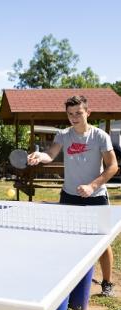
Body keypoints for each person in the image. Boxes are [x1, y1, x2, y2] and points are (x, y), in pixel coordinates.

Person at [28, 95, 118, 297]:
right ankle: (70, 281)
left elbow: (113, 166)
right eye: (70, 114)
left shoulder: (100, 136)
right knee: (68, 240)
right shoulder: (63, 135)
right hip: (69, 196)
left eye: (78, 113)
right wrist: (38, 157)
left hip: (96, 197)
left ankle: (107, 283)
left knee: (102, 242)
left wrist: (92, 185)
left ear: (88, 112)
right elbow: (50, 155)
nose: (74, 117)